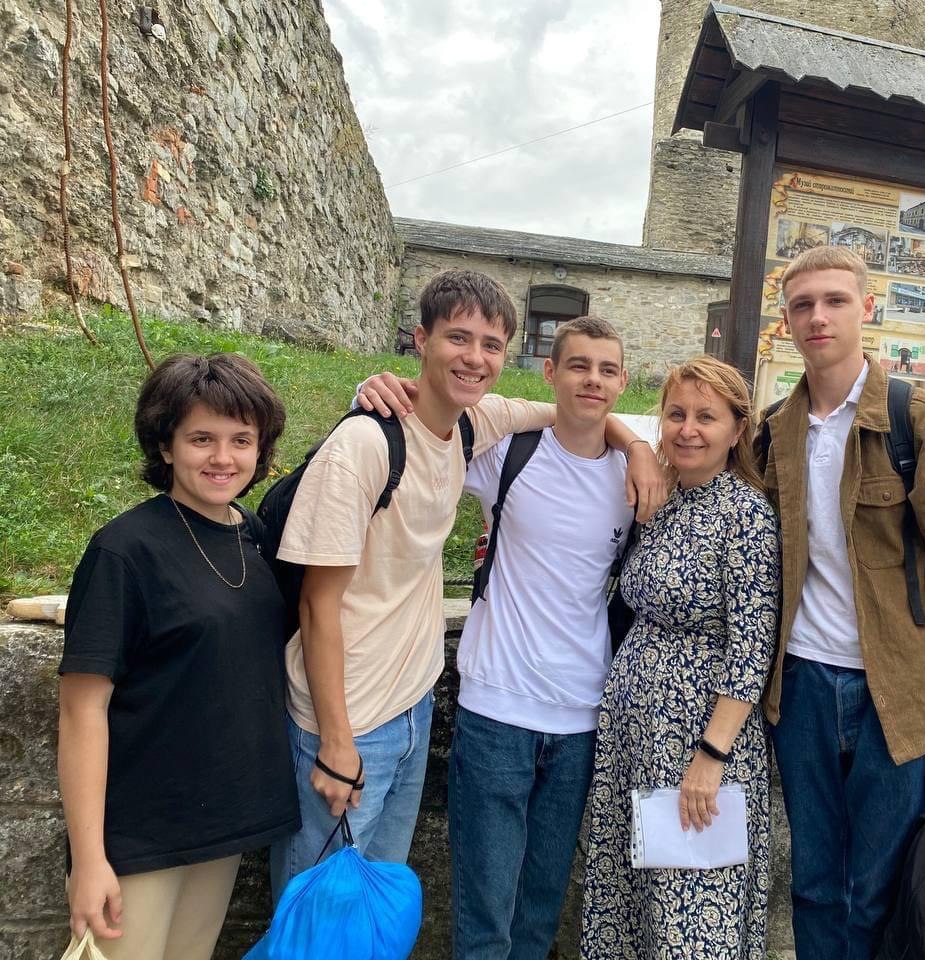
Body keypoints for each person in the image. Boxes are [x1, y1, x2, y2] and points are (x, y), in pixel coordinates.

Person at [271, 269, 663, 901]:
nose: (475, 357)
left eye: (491, 345)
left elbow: (579, 412)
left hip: (413, 705)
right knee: (317, 919)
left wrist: (638, 448)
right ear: (420, 339)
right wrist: (336, 741)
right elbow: (318, 607)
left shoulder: (474, 425)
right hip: (345, 718)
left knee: (377, 911)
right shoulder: (363, 445)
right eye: (458, 338)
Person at [758, 245, 925, 960]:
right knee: (813, 883)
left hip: (897, 694)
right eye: (802, 305)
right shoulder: (774, 429)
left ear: (867, 308)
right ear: (786, 320)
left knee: (880, 889)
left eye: (834, 301)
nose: (818, 317)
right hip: (802, 685)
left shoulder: (915, 420)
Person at [58, 353, 297, 960]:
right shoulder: (123, 551)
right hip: (140, 833)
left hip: (222, 821)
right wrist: (89, 860)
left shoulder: (254, 536)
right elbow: (81, 711)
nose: (223, 457)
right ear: (165, 446)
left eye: (241, 440)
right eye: (201, 439)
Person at [580, 357, 781, 960]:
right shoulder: (661, 499)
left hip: (697, 740)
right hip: (635, 737)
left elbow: (752, 646)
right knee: (632, 902)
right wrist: (638, 447)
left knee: (690, 914)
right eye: (676, 414)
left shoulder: (745, 514)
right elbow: (585, 414)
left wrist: (711, 756)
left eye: (706, 417)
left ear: (737, 430)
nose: (688, 429)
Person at [448, 316, 635, 960]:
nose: (592, 380)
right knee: (485, 915)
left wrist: (637, 447)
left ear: (623, 382)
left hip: (582, 714)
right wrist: (376, 388)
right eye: (578, 365)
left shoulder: (636, 474)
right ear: (550, 372)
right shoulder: (507, 453)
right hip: (496, 706)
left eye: (607, 370)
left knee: (539, 913)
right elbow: (433, 423)